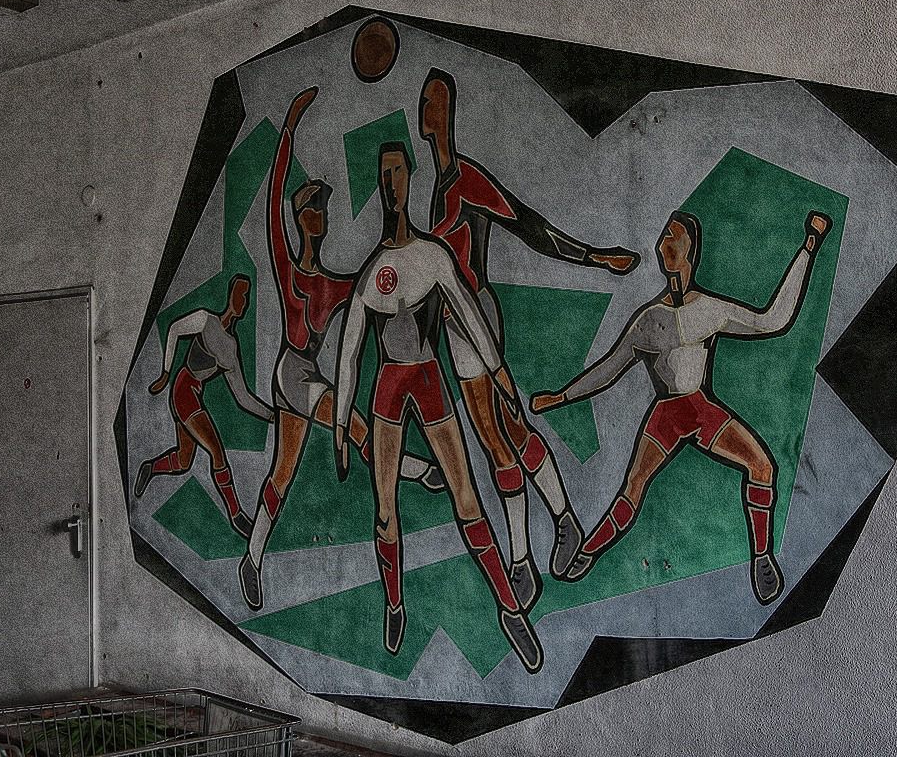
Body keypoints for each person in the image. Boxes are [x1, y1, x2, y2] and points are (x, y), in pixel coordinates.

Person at [418, 67, 642, 608]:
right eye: (428, 102)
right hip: (455, 332)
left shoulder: (467, 180)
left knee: (510, 430)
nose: (433, 110)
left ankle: (561, 523)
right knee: (497, 441)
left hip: (480, 321)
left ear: (448, 113)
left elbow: (528, 223)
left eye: (440, 100)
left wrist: (595, 256)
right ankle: (525, 557)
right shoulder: (435, 191)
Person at [530, 210, 832, 605]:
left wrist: (808, 248)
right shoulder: (649, 320)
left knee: (763, 467)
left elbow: (771, 320)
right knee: (633, 487)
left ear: (689, 249)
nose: (662, 244)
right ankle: (588, 550)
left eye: (672, 237)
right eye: (662, 238)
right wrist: (561, 396)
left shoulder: (708, 309)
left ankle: (762, 558)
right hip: (668, 415)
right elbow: (608, 369)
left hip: (701, 411)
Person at [334, 141, 543, 673]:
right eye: (383, 173)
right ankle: (395, 602)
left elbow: (470, 315)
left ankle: (509, 608)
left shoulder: (432, 256)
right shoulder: (372, 270)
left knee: (466, 495)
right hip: (388, 385)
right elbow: (350, 350)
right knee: (384, 506)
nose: (391, 182)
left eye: (398, 171)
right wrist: (340, 423)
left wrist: (499, 375)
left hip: (429, 378)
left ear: (409, 177)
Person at [238, 87, 443, 611]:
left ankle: (252, 558)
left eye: (323, 210)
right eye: (310, 209)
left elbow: (378, 278)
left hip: (303, 379)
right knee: (348, 420)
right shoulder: (289, 267)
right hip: (292, 373)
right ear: (298, 216)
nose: (318, 217)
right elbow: (269, 204)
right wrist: (288, 128)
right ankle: (417, 470)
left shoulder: (335, 284)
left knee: (280, 475)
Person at [134, 275, 274, 539]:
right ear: (230, 295)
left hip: (193, 395)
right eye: (240, 294)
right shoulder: (206, 321)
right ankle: (236, 515)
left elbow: (243, 398)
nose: (242, 301)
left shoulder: (231, 349)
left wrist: (272, 416)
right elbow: (174, 329)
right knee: (217, 452)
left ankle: (151, 467)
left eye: (246, 297)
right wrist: (165, 373)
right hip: (183, 390)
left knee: (184, 461)